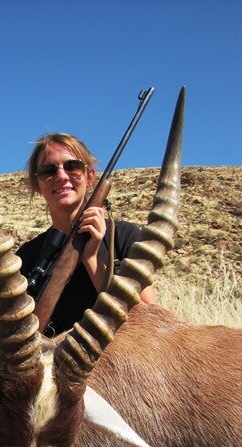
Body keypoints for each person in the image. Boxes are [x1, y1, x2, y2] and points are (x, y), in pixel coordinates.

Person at [17, 132, 156, 336]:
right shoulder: (27, 257)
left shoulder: (125, 237)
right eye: (49, 170)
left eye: (72, 166)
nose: (62, 176)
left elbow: (150, 322)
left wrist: (91, 257)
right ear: (38, 185)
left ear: (89, 176)